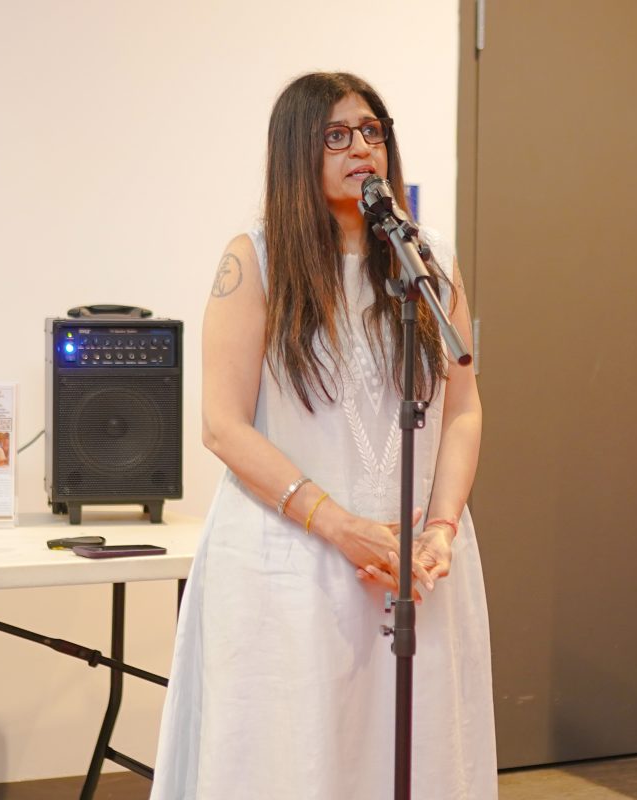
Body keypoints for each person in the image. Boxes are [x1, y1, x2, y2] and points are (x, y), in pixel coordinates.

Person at [149, 72, 497, 799]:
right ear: (296, 152)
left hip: (416, 568)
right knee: (296, 766)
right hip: (291, 560)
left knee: (416, 757)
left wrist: (440, 531)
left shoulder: (428, 260)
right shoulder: (255, 258)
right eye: (336, 136)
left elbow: (462, 408)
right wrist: (341, 527)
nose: (361, 148)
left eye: (372, 131)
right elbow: (221, 426)